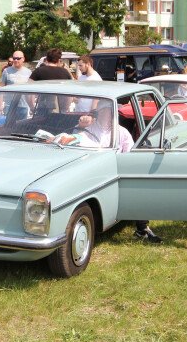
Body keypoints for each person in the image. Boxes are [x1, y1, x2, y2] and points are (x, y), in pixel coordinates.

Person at [66, 104, 161, 243]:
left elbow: (129, 156)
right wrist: (80, 125)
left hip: (114, 171)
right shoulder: (86, 128)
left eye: (111, 112)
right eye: (104, 111)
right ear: (98, 113)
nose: (108, 115)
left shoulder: (121, 132)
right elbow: (73, 143)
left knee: (138, 188)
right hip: (89, 171)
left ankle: (143, 228)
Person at [0, 51, 32, 117]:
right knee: (8, 127)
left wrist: (31, 106)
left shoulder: (28, 72)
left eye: (18, 58)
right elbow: (1, 89)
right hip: (9, 106)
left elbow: (30, 92)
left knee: (22, 126)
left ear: (23, 59)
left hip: (23, 106)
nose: (16, 60)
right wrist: (0, 105)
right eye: (14, 58)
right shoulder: (6, 71)